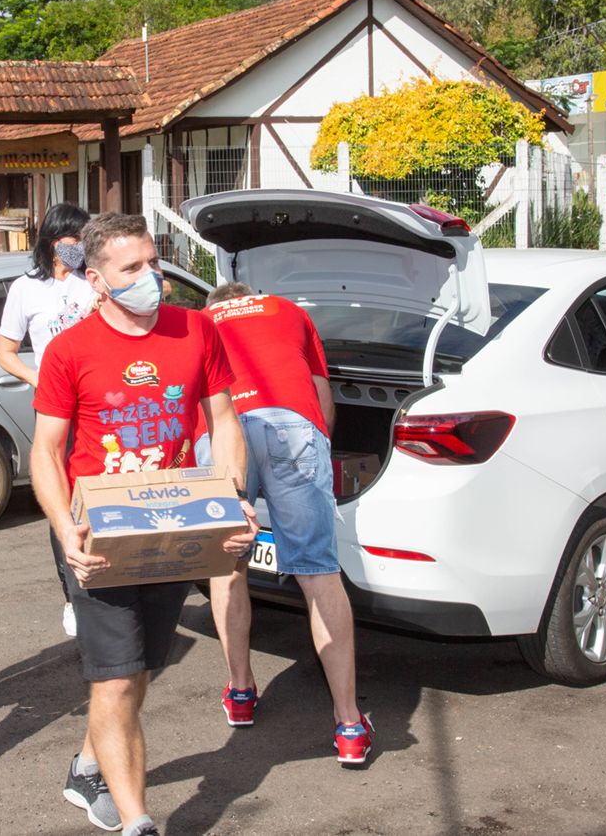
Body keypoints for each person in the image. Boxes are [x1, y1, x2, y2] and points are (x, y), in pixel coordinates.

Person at [32, 212, 255, 836]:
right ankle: (137, 820)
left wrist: (232, 495)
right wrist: (64, 529)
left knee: (137, 669)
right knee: (119, 675)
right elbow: (45, 452)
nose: (150, 277)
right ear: (98, 281)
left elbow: (225, 422)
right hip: (95, 532)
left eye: (153, 262)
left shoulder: (197, 329)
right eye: (132, 269)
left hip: (174, 523)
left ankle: (85, 764)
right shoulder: (69, 349)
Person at [200, 282, 373, 766]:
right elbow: (322, 395)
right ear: (250, 293)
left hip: (222, 428)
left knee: (227, 563)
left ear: (217, 304)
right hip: (292, 423)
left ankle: (240, 693)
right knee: (318, 572)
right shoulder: (288, 310)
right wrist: (318, 449)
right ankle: (349, 725)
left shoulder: (203, 321)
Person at [0, 200, 95, 637]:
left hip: (95, 400)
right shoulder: (26, 289)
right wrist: (39, 380)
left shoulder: (91, 282)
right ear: (55, 241)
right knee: (62, 501)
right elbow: (5, 353)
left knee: (96, 492)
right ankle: (72, 596)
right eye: (77, 238)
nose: (82, 246)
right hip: (55, 407)